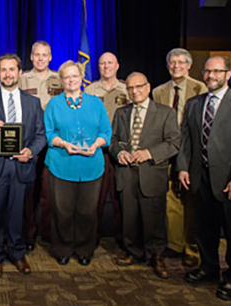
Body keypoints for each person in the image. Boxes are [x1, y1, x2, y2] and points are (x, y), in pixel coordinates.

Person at [178, 56, 231, 301]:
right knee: (205, 230)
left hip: (230, 182)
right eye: (207, 71)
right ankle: (208, 268)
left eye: (217, 71)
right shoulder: (194, 103)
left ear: (228, 74)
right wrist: (183, 168)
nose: (211, 75)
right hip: (199, 178)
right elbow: (186, 140)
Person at [0, 54, 46, 278]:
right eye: (3, 70)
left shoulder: (33, 103)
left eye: (12, 69)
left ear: (20, 72)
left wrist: (31, 151)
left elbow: (41, 135)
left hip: (22, 167)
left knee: (18, 214)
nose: (8, 74)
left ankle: (17, 253)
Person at [110, 72, 180, 279]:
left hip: (151, 173)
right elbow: (113, 141)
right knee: (129, 217)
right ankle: (133, 252)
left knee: (154, 219)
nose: (134, 91)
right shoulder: (121, 113)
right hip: (126, 173)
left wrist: (149, 153)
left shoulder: (165, 113)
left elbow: (174, 143)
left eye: (139, 87)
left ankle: (156, 256)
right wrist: (119, 153)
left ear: (148, 87)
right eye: (130, 88)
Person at [45, 60, 111, 266]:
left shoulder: (96, 103)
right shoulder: (54, 104)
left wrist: (96, 145)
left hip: (91, 165)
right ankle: (63, 248)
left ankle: (84, 249)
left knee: (87, 211)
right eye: (67, 77)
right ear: (62, 80)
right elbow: (48, 133)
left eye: (75, 76)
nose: (71, 80)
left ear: (81, 78)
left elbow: (106, 132)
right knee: (62, 210)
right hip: (61, 164)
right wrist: (64, 144)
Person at [152, 48, 207, 268]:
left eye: (181, 62)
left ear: (189, 65)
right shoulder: (158, 91)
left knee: (192, 201)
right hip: (166, 150)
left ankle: (191, 248)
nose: (176, 66)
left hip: (192, 152)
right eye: (172, 63)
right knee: (170, 198)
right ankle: (174, 244)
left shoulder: (200, 88)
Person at [18, 41, 62, 250]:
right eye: (37, 55)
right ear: (31, 57)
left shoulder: (60, 79)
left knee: (49, 191)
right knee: (27, 191)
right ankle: (27, 234)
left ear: (50, 57)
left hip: (54, 142)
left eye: (45, 55)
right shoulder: (22, 79)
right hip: (30, 140)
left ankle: (46, 233)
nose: (41, 58)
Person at [84, 52, 127, 247]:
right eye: (102, 63)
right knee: (95, 198)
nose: (106, 66)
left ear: (117, 65)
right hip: (97, 150)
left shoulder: (128, 89)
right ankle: (92, 237)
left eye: (110, 63)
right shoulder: (90, 90)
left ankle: (122, 240)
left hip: (120, 150)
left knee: (120, 198)